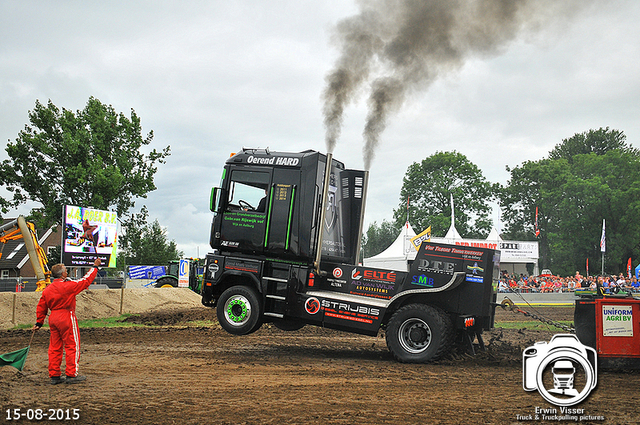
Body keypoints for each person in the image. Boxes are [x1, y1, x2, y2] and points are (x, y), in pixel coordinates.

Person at [33, 258, 101, 385]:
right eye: (66, 271)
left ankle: (54, 375)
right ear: (63, 274)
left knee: (54, 347)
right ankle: (71, 374)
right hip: (66, 316)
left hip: (53, 317)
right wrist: (95, 267)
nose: (67, 273)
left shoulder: (47, 289)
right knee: (72, 345)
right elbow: (85, 281)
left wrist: (39, 322)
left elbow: (41, 306)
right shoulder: (68, 286)